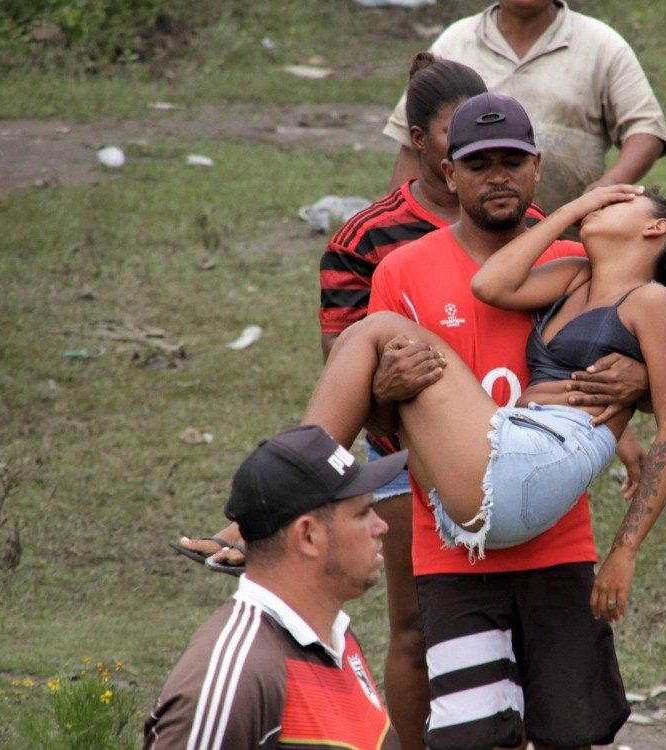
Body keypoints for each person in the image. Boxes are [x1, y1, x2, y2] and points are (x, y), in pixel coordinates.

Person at [360, 92, 666, 750]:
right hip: (454, 550)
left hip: (556, 543)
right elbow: (382, 413)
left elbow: (661, 402)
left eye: (513, 162)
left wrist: (638, 391)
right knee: (472, 733)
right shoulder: (406, 271)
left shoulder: (581, 272)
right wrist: (383, 387)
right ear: (447, 173)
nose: (497, 175)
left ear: (535, 169)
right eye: (479, 163)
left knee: (571, 729)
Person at [177, 53, 486, 750]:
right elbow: (345, 370)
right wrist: (396, 385)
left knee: (502, 624)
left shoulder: (519, 220)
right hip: (400, 457)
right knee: (416, 628)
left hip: (503, 445)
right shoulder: (364, 239)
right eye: (451, 135)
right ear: (416, 141)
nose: (472, 154)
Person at [145, 425, 406, 750]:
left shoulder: (336, 640)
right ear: (308, 536)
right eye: (363, 513)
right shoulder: (233, 683)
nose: (381, 526)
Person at [383, 0, 666, 214]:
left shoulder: (601, 44)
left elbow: (646, 129)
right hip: (467, 233)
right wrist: (399, 219)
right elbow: (412, 142)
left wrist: (604, 189)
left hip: (569, 232)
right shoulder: (456, 41)